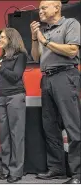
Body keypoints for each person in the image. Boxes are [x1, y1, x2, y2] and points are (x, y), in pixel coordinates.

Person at [30, 1, 80, 183]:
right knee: (50, 126)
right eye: (40, 8)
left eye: (44, 7)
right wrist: (36, 38)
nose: (40, 11)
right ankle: (57, 168)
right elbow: (35, 57)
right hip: (47, 78)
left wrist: (45, 41)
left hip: (65, 75)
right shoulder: (44, 31)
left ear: (57, 8)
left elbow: (73, 51)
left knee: (73, 126)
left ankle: (78, 174)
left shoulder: (71, 24)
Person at [0, 28, 28, 183]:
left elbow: (15, 77)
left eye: (2, 37)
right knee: (4, 135)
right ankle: (5, 168)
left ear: (11, 38)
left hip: (15, 96)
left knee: (17, 135)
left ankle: (16, 171)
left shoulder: (21, 56)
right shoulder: (1, 58)